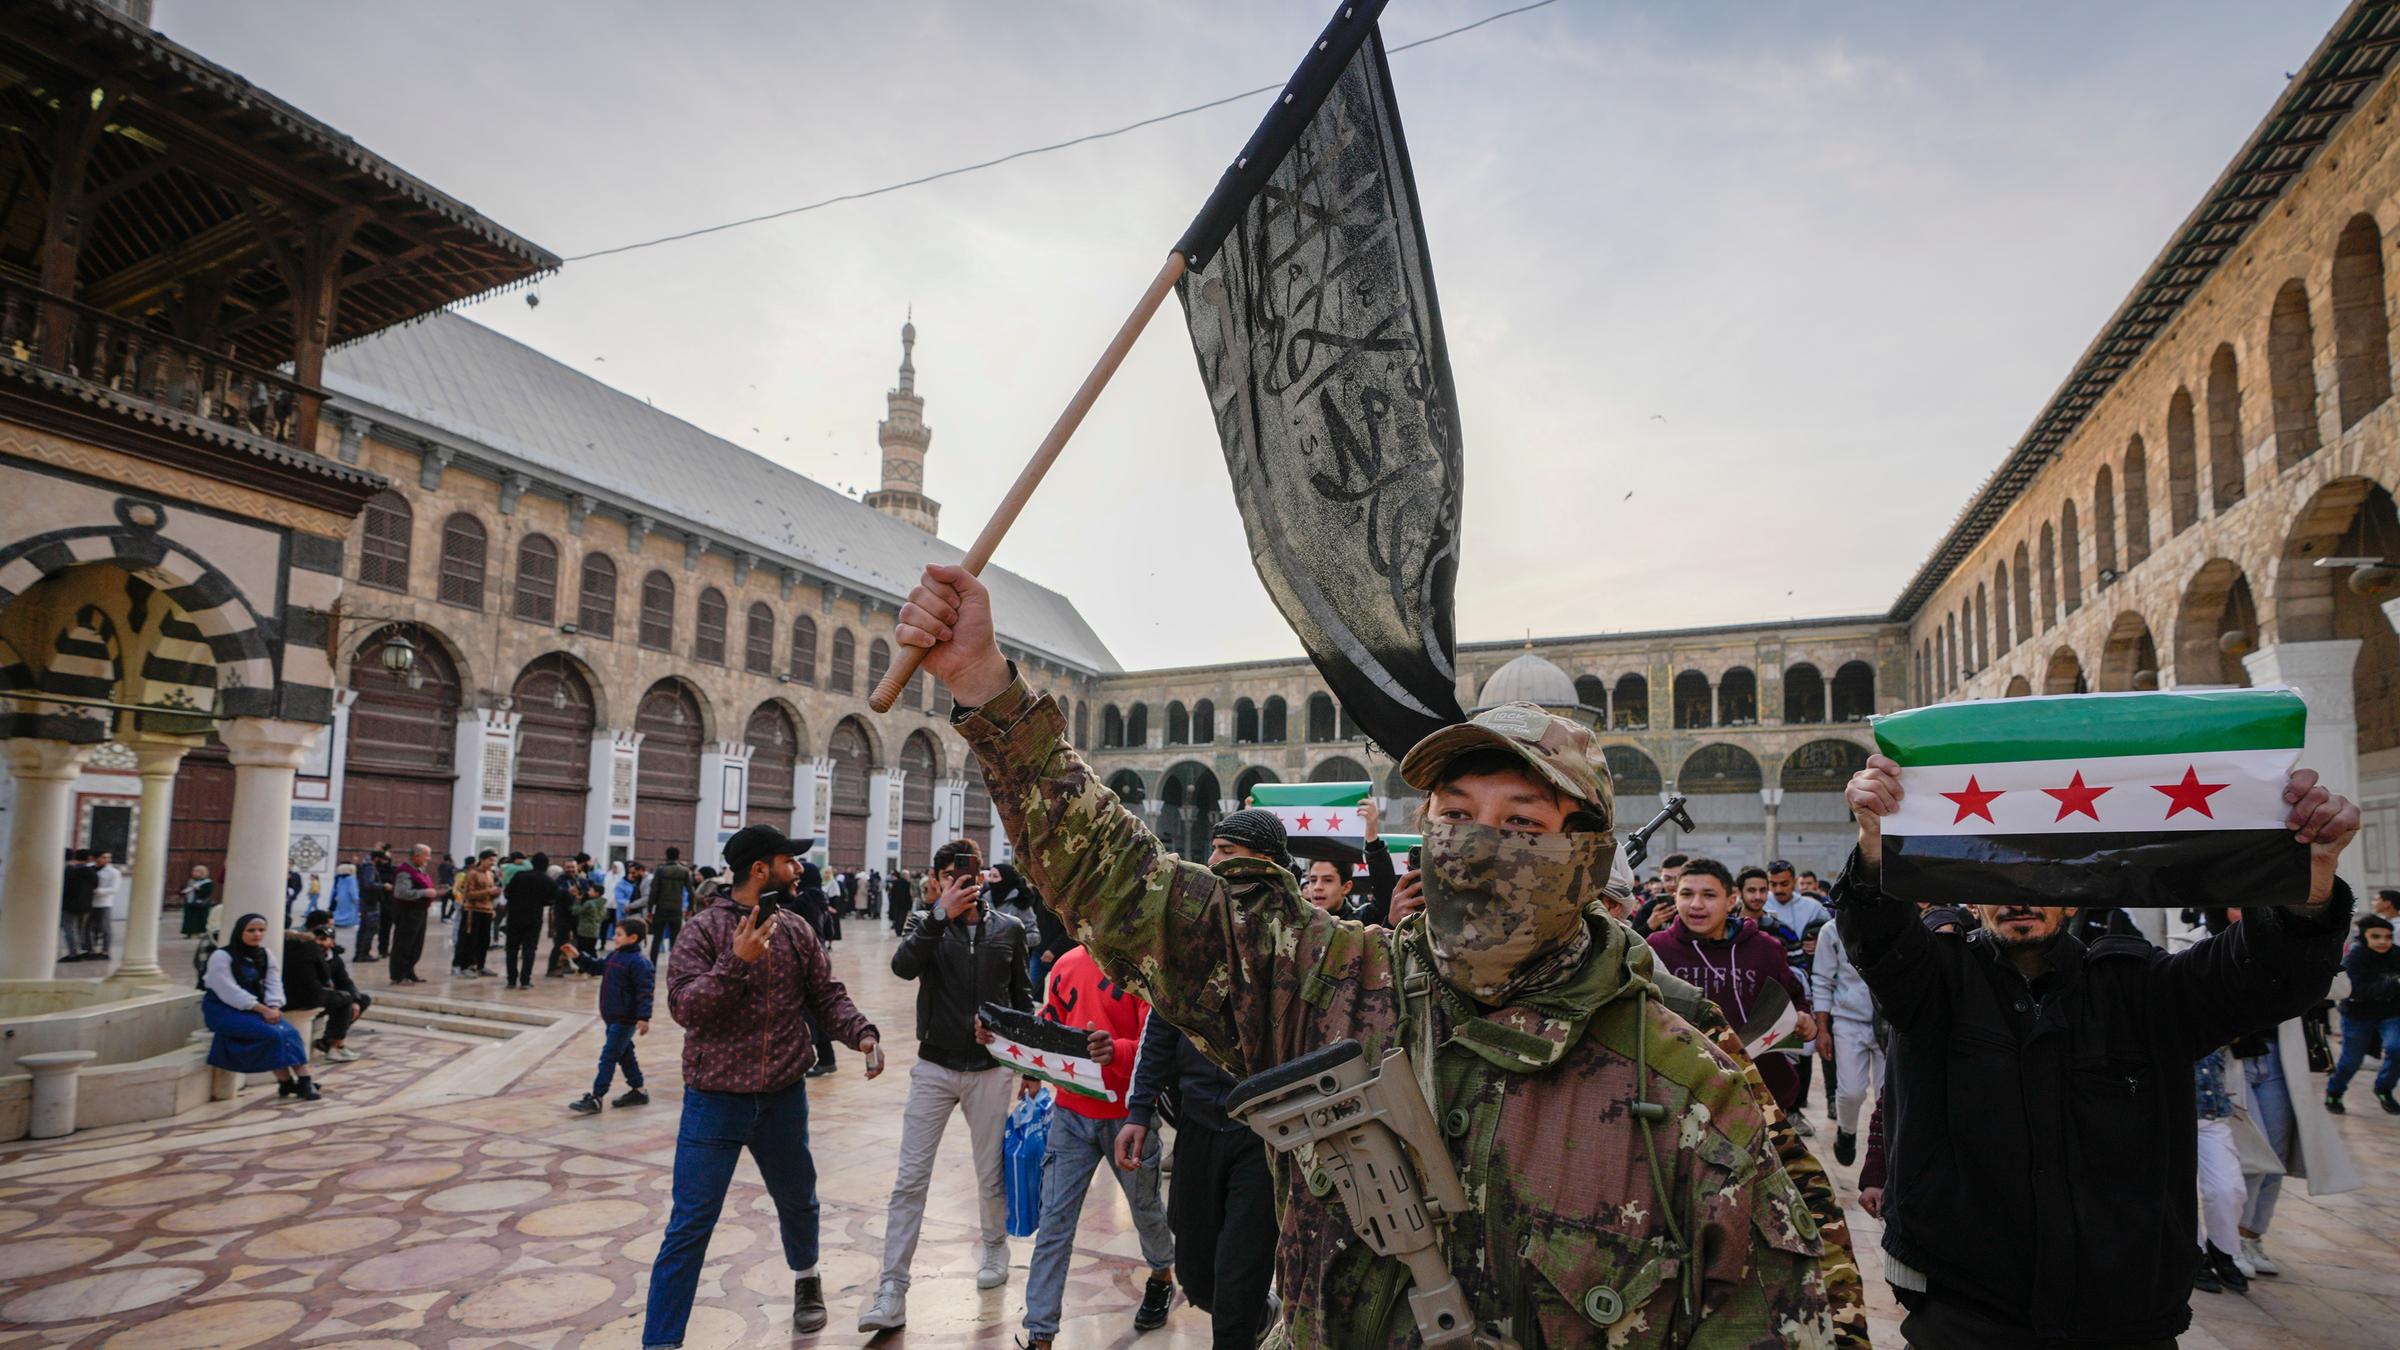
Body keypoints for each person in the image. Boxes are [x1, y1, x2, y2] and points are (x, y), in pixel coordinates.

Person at [900, 561, 1834, 1346]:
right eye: (1456, 818)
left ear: (1585, 854)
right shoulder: (1336, 986)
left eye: (1520, 824)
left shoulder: (1682, 1085)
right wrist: (987, 687)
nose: (1477, 848)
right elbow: (1126, 889)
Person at [1837, 751, 2359, 1349]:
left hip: (2119, 1313)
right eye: (1997, 879)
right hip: (1968, 1308)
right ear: (1971, 898)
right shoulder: (1936, 987)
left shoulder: (2141, 990)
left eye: (2041, 880)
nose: (2020, 896)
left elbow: (2269, 975)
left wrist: (2308, 886)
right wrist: (1876, 841)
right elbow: (1879, 939)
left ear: (2075, 897)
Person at [644, 824, 882, 1345]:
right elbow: (686, 1009)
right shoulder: (703, 932)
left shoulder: (796, 929)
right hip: (715, 1102)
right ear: (759, 870)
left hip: (781, 1097)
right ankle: (660, 1341)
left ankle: (806, 1280)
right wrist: (737, 961)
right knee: (689, 1226)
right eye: (788, 861)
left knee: (798, 1199)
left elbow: (827, 995)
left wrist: (861, 1035)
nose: (798, 869)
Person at [857, 840, 1033, 1331]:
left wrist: (1019, 1053)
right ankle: (892, 1287)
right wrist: (939, 916)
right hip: (934, 1067)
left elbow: (1024, 1001)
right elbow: (902, 967)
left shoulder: (1010, 930)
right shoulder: (922, 924)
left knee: (989, 1172)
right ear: (935, 878)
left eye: (971, 872)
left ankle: (994, 1248)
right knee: (910, 1178)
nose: (962, 880)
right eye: (953, 873)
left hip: (991, 1069)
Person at [1011, 939, 1175, 1349]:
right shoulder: (1066, 963)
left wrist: (1114, 1051)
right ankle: (1040, 1333)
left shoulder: (1140, 967)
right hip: (1070, 1115)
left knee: (1146, 1209)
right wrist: (1009, 1046)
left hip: (1127, 1116)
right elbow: (1052, 1025)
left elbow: (1158, 1047)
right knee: (1054, 1224)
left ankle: (1161, 1273)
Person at [1119, 945, 1277, 1349]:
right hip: (1198, 1129)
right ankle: (1260, 1314)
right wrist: (1138, 1112)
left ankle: (1243, 1321)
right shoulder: (1187, 952)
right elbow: (1158, 1034)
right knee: (1197, 1275)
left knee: (1238, 1278)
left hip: (1261, 1136)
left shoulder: (1284, 945)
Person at [1647, 859, 1818, 1116]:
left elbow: (1794, 998)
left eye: (1709, 895)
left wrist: (1806, 1020)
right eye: (1686, 894)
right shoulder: (1657, 949)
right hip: (1685, 1094)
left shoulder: (1765, 948)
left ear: (1731, 900)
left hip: (1759, 1095)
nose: (1696, 904)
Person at [202, 913, 319, 1100]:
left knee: (289, 1032)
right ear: (240, 931)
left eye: (261, 930)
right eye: (251, 930)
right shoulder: (222, 956)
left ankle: (302, 1080)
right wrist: (263, 1009)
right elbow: (228, 991)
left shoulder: (265, 954)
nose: (256, 934)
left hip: (257, 1008)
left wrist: (274, 1005)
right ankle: (287, 1082)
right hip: (225, 1010)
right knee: (272, 1034)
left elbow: (274, 983)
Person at [1809, 902, 1881, 1166]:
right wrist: (1822, 1028)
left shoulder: (1898, 924)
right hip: (1849, 1021)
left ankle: (1883, 1146)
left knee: (1889, 1094)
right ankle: (1847, 1131)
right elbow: (1822, 980)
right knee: (1851, 1091)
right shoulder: (1832, 930)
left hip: (1890, 1021)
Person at [570, 918, 654, 1115]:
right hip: (612, 1017)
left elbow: (645, 992)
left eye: (618, 934)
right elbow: (597, 967)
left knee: (608, 1056)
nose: (614, 938)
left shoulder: (640, 963)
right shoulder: (615, 956)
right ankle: (638, 1091)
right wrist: (578, 957)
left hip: (625, 1019)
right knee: (625, 1055)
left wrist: (644, 1017)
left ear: (633, 938)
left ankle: (597, 1097)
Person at [2190, 1048, 2250, 1295]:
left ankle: (2222, 1248)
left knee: (2229, 1189)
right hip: (2170, 1114)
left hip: (2213, 1115)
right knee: (2176, 1190)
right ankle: (2193, 1255)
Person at [2326, 913, 2400, 1114]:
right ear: (2365, 937)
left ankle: (2384, 1088)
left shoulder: (2397, 954)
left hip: (2391, 1013)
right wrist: (2392, 985)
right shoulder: (2355, 957)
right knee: (2351, 1061)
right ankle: (2335, 1091)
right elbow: (2353, 990)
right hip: (2357, 1015)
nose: (2383, 941)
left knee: (2396, 1049)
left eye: (2387, 937)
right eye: (2376, 936)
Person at [309, 915, 372, 1061]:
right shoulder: (307, 957)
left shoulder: (334, 959)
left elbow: (345, 981)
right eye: (316, 938)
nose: (318, 942)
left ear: (332, 942)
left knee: (361, 1000)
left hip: (325, 997)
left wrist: (355, 1000)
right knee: (344, 1000)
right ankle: (336, 1045)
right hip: (312, 998)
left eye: (323, 939)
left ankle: (329, 1042)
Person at [387, 844, 441, 984]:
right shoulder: (405, 871)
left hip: (420, 911)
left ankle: (409, 972)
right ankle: (398, 975)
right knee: (403, 944)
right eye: (426, 855)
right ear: (416, 855)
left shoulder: (419, 870)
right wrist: (424, 892)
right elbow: (401, 893)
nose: (428, 859)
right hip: (407, 912)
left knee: (416, 944)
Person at [501, 852, 554, 990]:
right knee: (529, 949)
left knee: (511, 949)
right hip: (534, 918)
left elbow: (507, 893)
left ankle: (511, 980)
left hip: (514, 917)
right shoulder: (547, 880)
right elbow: (554, 897)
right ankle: (525, 981)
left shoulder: (519, 876)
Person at [454, 851, 498, 977]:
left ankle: (481, 965)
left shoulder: (490, 874)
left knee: (484, 940)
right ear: (482, 860)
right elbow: (468, 894)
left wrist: (493, 901)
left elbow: (490, 894)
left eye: (494, 861)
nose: (492, 863)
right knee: (470, 939)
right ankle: (465, 966)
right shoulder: (472, 874)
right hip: (473, 910)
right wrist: (489, 891)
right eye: (490, 860)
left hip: (487, 910)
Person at [648, 848, 694, 960]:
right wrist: (690, 908)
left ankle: (652, 966)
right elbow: (691, 892)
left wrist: (650, 908)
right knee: (675, 940)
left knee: (657, 938)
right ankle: (674, 967)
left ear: (666, 855)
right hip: (676, 908)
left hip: (661, 908)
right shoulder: (684, 871)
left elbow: (654, 891)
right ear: (678, 856)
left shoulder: (660, 870)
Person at [1765, 860, 1831, 937]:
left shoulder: (1814, 908)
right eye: (1773, 884)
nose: (1779, 890)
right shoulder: (1760, 904)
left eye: (1784, 884)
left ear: (1794, 881)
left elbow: (1830, 934)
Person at [58, 849, 98, 962]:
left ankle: (73, 953)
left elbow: (65, 887)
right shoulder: (91, 871)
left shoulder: (70, 871)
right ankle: (87, 950)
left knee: (69, 929)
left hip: (70, 904)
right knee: (82, 929)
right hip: (86, 904)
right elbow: (95, 885)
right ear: (88, 859)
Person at [354, 848, 390, 961]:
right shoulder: (370, 867)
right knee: (370, 928)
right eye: (383, 860)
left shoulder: (364, 866)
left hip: (366, 901)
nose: (384, 863)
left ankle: (359, 954)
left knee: (364, 928)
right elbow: (369, 884)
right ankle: (364, 954)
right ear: (377, 859)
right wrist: (383, 886)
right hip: (371, 902)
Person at [88, 849, 120, 958]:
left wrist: (98, 891)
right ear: (96, 858)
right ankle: (90, 950)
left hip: (104, 902)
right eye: (103, 857)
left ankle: (105, 951)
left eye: (108, 857)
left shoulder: (113, 872)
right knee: (89, 927)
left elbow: (114, 889)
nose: (106, 860)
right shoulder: (90, 868)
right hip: (89, 902)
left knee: (105, 928)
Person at [178, 863, 217, 938]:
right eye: (193, 871)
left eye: (197, 871)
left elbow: (208, 892)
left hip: (201, 903)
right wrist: (182, 891)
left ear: (202, 873)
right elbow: (183, 889)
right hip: (189, 902)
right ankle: (188, 933)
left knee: (201, 918)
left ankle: (201, 932)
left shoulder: (207, 882)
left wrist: (199, 889)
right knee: (189, 918)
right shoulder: (191, 881)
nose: (194, 873)